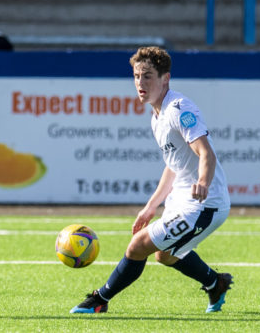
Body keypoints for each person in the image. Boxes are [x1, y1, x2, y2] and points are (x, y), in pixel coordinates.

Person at [70, 47, 232, 314]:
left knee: (137, 246)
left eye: (147, 77)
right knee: (164, 254)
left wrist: (203, 181)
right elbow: (173, 166)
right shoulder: (156, 116)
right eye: (136, 76)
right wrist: (151, 206)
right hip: (182, 198)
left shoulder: (180, 109)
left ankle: (100, 300)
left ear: (165, 79)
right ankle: (215, 283)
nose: (140, 84)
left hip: (205, 204)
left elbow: (206, 152)